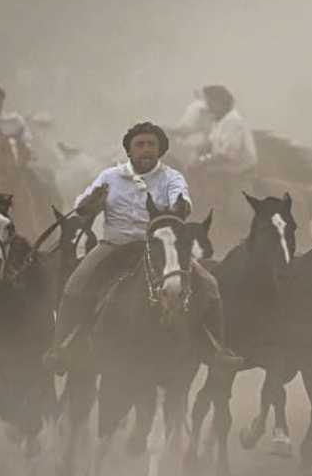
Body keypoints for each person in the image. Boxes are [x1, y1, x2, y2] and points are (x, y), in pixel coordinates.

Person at [42, 121, 241, 373]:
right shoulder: (109, 177)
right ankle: (60, 348)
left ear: (160, 150)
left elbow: (184, 204)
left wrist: (180, 206)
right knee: (76, 282)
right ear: (129, 151)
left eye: (151, 144)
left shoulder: (172, 178)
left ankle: (217, 349)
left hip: (157, 247)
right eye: (140, 145)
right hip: (114, 244)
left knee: (209, 283)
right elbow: (81, 207)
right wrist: (94, 200)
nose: (145, 149)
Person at [175, 84, 257, 173]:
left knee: (197, 171)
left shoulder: (233, 121)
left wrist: (202, 161)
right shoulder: (219, 120)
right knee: (190, 168)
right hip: (227, 165)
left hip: (239, 170)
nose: (208, 107)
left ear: (220, 103)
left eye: (210, 103)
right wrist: (197, 151)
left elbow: (227, 155)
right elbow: (212, 144)